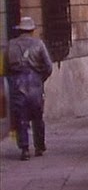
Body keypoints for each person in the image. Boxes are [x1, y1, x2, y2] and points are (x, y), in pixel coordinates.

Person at [6, 17, 54, 160]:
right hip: (35, 84)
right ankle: (39, 146)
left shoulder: (11, 45)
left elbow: (7, 66)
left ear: (20, 30)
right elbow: (48, 66)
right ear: (32, 30)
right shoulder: (39, 44)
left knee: (21, 117)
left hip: (18, 83)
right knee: (38, 117)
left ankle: (24, 149)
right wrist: (41, 79)